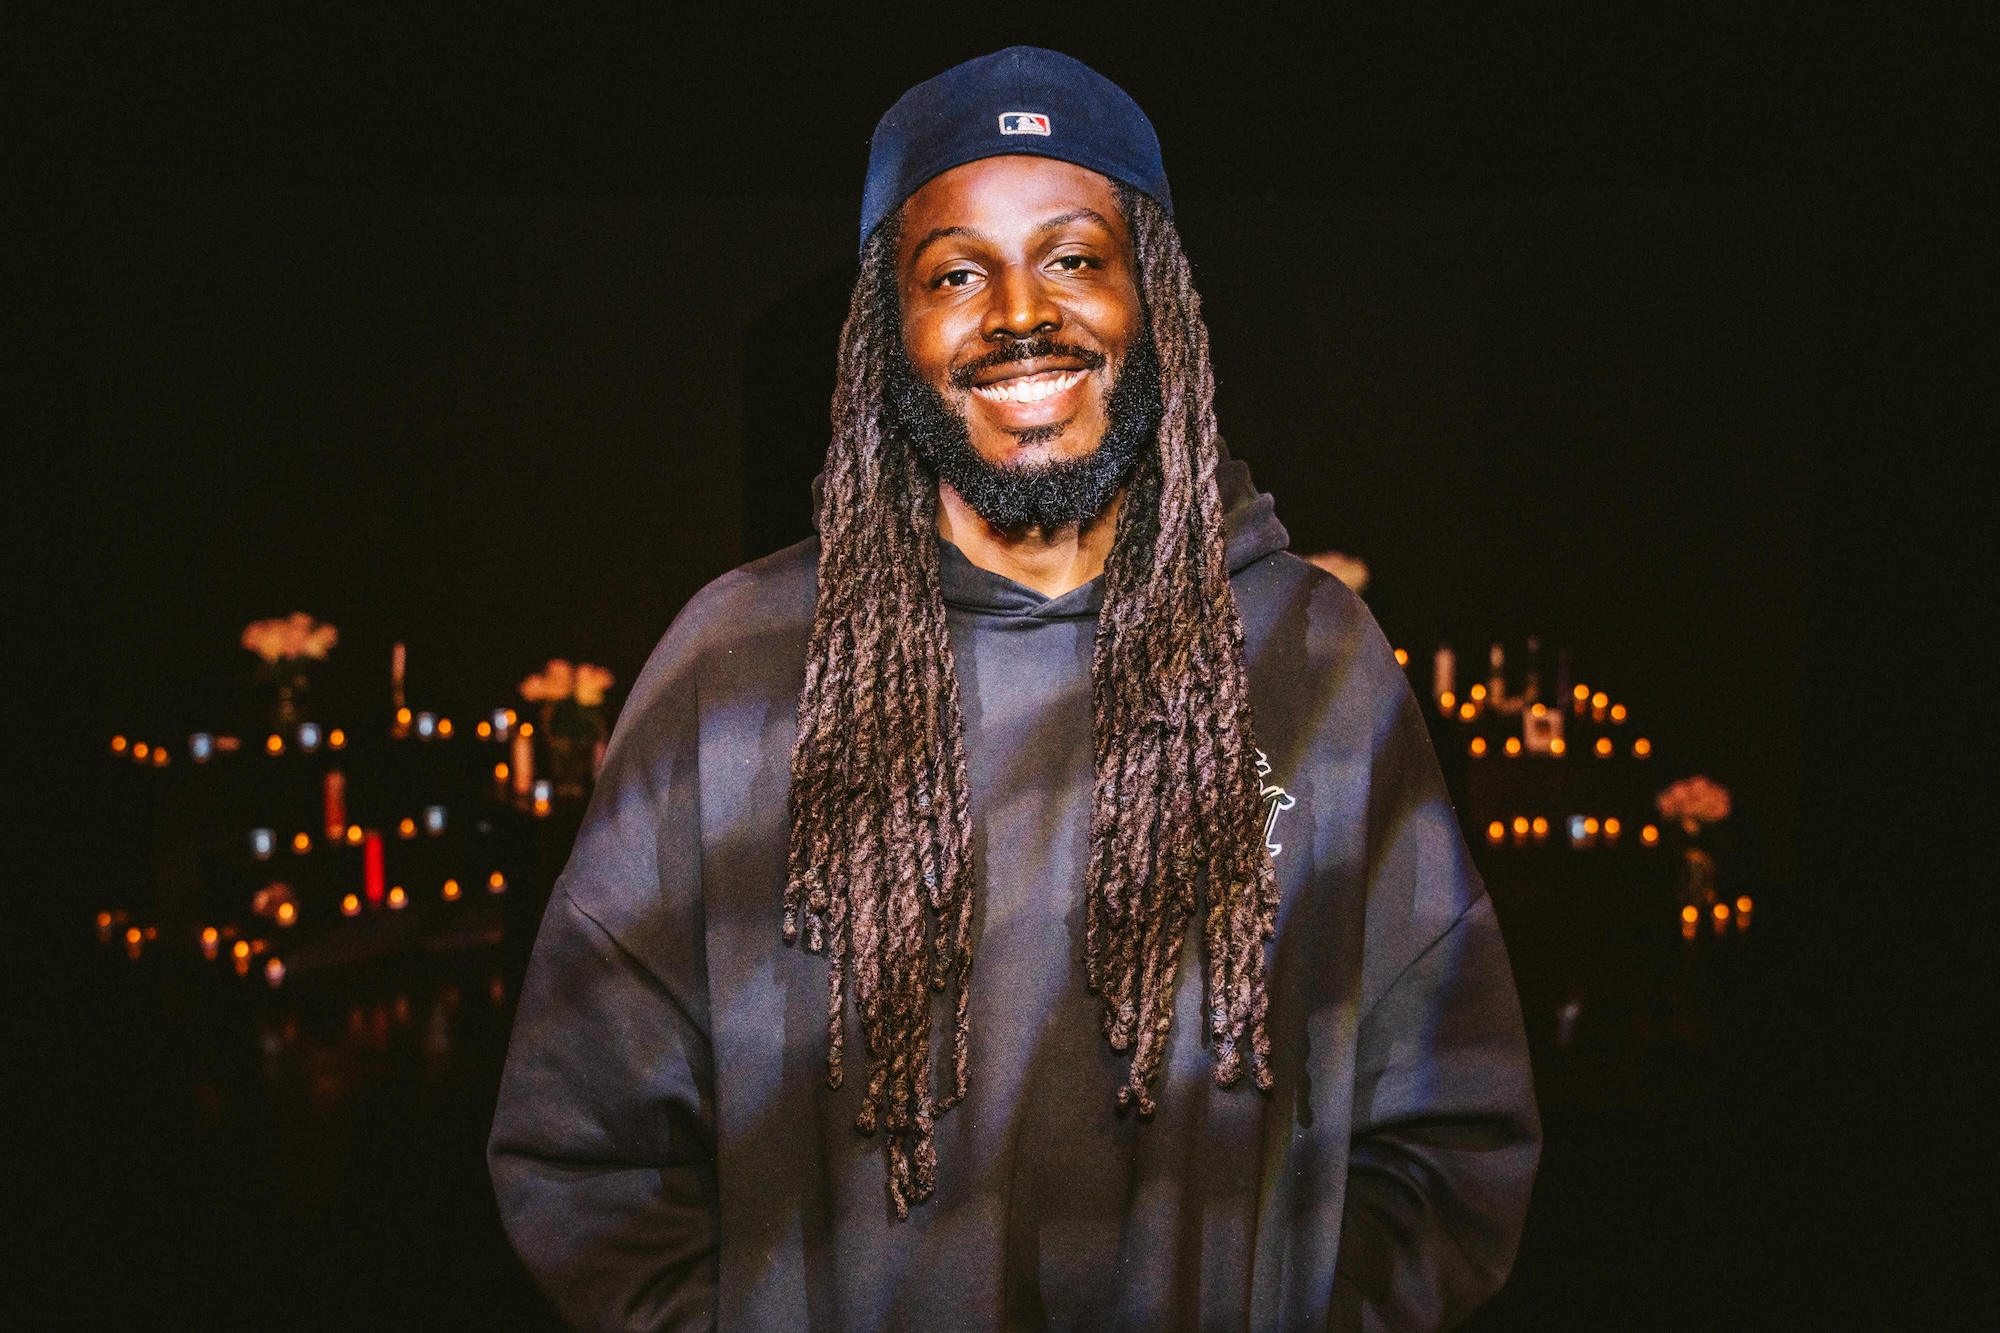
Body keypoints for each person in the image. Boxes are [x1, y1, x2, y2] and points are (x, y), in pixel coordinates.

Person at [490, 46, 1538, 1331]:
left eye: (1072, 256)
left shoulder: (1313, 666)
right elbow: (579, 1160)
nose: (1018, 313)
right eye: (955, 272)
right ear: (892, 331)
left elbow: (1454, 1140)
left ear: (1152, 296)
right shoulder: (735, 675)